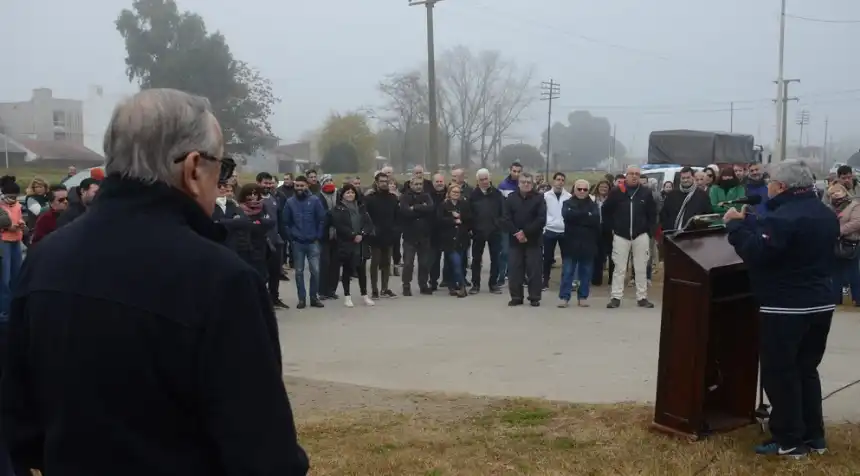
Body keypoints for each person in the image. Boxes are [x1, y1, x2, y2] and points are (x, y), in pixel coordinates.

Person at [0, 88, 308, 474]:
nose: (223, 180)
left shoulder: (45, 259)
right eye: (223, 168)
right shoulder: (220, 280)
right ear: (194, 168)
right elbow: (264, 455)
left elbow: (21, 427)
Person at [723, 160, 837, 458]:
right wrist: (751, 223)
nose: (768, 185)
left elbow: (757, 254)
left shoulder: (784, 219)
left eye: (771, 181)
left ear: (782, 187)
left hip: (785, 306)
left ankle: (788, 440)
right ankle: (814, 436)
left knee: (780, 373)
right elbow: (782, 242)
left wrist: (734, 227)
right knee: (806, 370)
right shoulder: (825, 214)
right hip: (821, 303)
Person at [602, 165, 656, 309]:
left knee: (641, 267)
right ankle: (616, 297)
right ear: (626, 176)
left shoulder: (646, 192)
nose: (634, 176)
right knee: (619, 267)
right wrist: (611, 229)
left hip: (641, 235)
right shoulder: (616, 192)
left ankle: (642, 297)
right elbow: (605, 210)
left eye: (637, 174)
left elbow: (652, 213)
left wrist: (649, 232)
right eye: (631, 173)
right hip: (621, 235)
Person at [502, 172, 546, 307]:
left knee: (534, 270)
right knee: (515, 270)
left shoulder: (539, 199)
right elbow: (505, 218)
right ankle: (516, 297)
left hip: (533, 240)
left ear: (532, 184)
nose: (526, 184)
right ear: (518, 183)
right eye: (523, 182)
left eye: (528, 182)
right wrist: (516, 232)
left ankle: (534, 297)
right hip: (515, 240)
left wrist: (525, 232)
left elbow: (541, 219)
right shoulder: (510, 198)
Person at [283, 175, 327, 309]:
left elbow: (321, 219)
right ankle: (301, 299)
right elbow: (286, 222)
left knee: (315, 271)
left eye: (302, 186)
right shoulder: (290, 202)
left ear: (307, 186)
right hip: (297, 243)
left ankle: (314, 297)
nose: (299, 188)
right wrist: (291, 237)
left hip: (313, 241)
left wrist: (318, 235)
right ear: (294, 186)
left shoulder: (314, 200)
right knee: (299, 272)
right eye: (297, 186)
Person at [330, 183, 375, 307]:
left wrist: (362, 234)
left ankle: (365, 295)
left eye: (352, 192)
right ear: (342, 195)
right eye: (347, 192)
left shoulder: (361, 207)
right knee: (347, 270)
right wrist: (352, 235)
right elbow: (339, 226)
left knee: (362, 271)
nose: (350, 195)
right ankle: (347, 296)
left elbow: (368, 224)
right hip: (347, 244)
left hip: (361, 244)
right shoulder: (338, 209)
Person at [559, 179, 600, 307]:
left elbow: (595, 220)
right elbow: (567, 216)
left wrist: (577, 215)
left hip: (588, 243)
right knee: (567, 272)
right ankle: (564, 297)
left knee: (586, 272)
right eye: (579, 189)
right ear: (574, 189)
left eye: (585, 189)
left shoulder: (593, 205)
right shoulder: (567, 203)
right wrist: (585, 216)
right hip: (570, 243)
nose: (582, 191)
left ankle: (583, 297)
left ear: (588, 191)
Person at [469, 168, 504, 295]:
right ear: (477, 181)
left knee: (495, 259)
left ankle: (493, 284)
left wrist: (498, 224)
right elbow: (469, 213)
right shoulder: (473, 195)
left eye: (486, 179)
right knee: (476, 259)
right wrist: (472, 228)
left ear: (490, 179)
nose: (484, 182)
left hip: (494, 231)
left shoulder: (497, 194)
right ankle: (475, 284)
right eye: (481, 179)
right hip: (478, 231)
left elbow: (503, 211)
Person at [364, 172, 400, 299]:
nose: (384, 184)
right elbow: (365, 216)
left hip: (389, 234)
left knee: (386, 263)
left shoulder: (393, 198)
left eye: (386, 181)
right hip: (375, 236)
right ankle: (374, 289)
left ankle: (385, 288)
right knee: (375, 263)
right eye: (382, 181)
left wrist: (396, 230)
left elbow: (397, 216)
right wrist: (370, 230)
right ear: (376, 182)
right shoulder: (370, 198)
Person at [256, 172, 289, 309]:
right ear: (258, 183)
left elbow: (280, 219)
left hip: (276, 241)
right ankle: (260, 301)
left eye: (270, 183)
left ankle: (274, 298)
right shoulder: (254, 198)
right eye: (265, 183)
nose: (268, 186)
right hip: (261, 242)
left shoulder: (275, 198)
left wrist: (284, 236)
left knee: (275, 272)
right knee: (262, 273)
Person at [399, 177, 435, 296]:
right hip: (410, 236)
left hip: (424, 235)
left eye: (420, 184)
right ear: (411, 184)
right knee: (408, 263)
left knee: (424, 263)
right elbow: (405, 212)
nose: (419, 186)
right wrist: (421, 208)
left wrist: (415, 207)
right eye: (416, 184)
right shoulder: (405, 197)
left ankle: (423, 285)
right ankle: (406, 285)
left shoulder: (427, 196)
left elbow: (430, 208)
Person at [826, 183, 860, 306]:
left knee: (853, 272)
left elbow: (857, 222)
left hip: (851, 242)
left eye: (838, 191)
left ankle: (857, 298)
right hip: (835, 243)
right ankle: (835, 299)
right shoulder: (829, 207)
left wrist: (839, 230)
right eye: (832, 193)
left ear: (845, 192)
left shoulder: (854, 205)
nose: (835, 194)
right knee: (835, 273)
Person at [437, 184, 472, 297]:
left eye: (458, 192)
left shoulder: (464, 205)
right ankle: (461, 287)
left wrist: (461, 217)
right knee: (455, 262)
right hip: (449, 239)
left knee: (460, 263)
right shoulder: (443, 205)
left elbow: (470, 218)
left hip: (462, 238)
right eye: (454, 192)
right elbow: (439, 220)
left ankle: (452, 285)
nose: (456, 194)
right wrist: (453, 220)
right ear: (449, 193)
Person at [0, 177, 25, 320]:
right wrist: (8, 227)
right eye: (10, 197)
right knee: (5, 278)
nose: (12, 200)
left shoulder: (17, 205)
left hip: (16, 240)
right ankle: (4, 312)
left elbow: (19, 217)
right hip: (3, 242)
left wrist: (21, 224)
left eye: (15, 197)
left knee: (17, 275)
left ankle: (16, 308)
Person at [659, 166, 712, 232]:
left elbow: (707, 216)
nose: (685, 180)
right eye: (683, 178)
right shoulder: (672, 194)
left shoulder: (702, 195)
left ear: (693, 178)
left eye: (688, 177)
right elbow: (664, 214)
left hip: (693, 235)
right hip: (672, 234)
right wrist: (667, 227)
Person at [542, 172, 571, 290]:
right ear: (554, 181)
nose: (560, 182)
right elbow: (542, 213)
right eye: (558, 179)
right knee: (547, 258)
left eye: (562, 180)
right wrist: (544, 228)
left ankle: (566, 282)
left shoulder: (568, 196)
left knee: (567, 258)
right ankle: (545, 281)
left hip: (564, 231)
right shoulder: (545, 196)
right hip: (549, 230)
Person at [496, 161, 522, 286]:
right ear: (510, 171)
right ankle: (501, 276)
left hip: (520, 223)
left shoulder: (523, 185)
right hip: (506, 224)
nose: (516, 174)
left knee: (519, 252)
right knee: (505, 251)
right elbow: (499, 206)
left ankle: (516, 276)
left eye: (518, 171)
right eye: (514, 171)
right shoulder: (503, 185)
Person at [317, 175, 341, 301]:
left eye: (330, 180)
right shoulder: (318, 197)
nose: (329, 183)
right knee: (324, 263)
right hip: (324, 235)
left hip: (338, 234)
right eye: (326, 181)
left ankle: (332, 290)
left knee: (335, 264)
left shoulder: (339, 194)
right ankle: (322, 290)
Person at [590, 179, 612, 287]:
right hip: (596, 228)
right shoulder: (592, 199)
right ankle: (596, 279)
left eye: (606, 187)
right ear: (598, 188)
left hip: (608, 229)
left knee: (611, 254)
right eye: (601, 187)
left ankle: (611, 279)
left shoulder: (611, 200)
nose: (603, 189)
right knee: (597, 255)